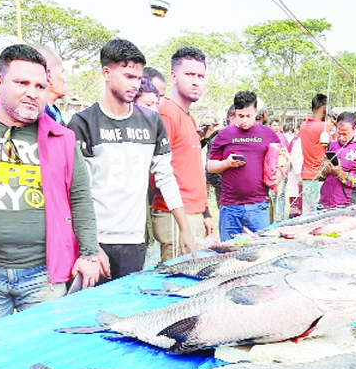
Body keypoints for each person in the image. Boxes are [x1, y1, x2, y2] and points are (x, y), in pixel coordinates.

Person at [0, 44, 101, 329]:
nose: (32, 93)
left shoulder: (62, 137)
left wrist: (88, 254)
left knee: (43, 357)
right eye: (22, 83)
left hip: (44, 276)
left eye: (39, 85)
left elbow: (81, 199)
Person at [68, 39, 197, 279]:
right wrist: (92, 247)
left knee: (126, 309)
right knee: (90, 311)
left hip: (134, 239)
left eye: (138, 78)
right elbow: (78, 191)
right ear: (106, 73)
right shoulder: (83, 122)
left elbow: (166, 177)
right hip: (95, 240)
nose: (134, 85)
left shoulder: (151, 121)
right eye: (128, 76)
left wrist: (185, 228)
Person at [151, 46, 213, 262]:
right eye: (189, 74)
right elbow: (156, 172)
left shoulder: (188, 116)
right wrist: (184, 223)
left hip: (193, 213)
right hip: (175, 216)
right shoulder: (167, 114)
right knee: (174, 286)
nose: (196, 81)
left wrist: (205, 212)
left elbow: (191, 169)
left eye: (201, 76)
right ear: (174, 77)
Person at [207, 90, 279, 239]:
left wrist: (280, 173)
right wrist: (227, 163)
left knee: (261, 252)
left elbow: (284, 158)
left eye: (248, 116)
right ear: (234, 114)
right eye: (240, 116)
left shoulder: (268, 134)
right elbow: (210, 166)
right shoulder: (224, 135)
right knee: (229, 253)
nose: (244, 120)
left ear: (256, 112)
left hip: (258, 206)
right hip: (230, 207)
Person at [319, 112, 356, 209]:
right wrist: (325, 170)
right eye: (339, 133)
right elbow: (321, 174)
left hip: (345, 203)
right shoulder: (332, 145)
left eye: (345, 134)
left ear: (355, 129)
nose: (342, 137)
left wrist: (340, 173)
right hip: (325, 201)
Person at [299, 93, 328, 214]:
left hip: (307, 176)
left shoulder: (303, 126)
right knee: (319, 215)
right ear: (325, 108)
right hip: (320, 177)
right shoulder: (323, 127)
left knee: (307, 214)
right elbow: (331, 150)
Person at [30, 44, 67, 125]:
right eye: (62, 72)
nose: (65, 80)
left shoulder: (55, 116)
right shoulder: (31, 119)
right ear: (49, 76)